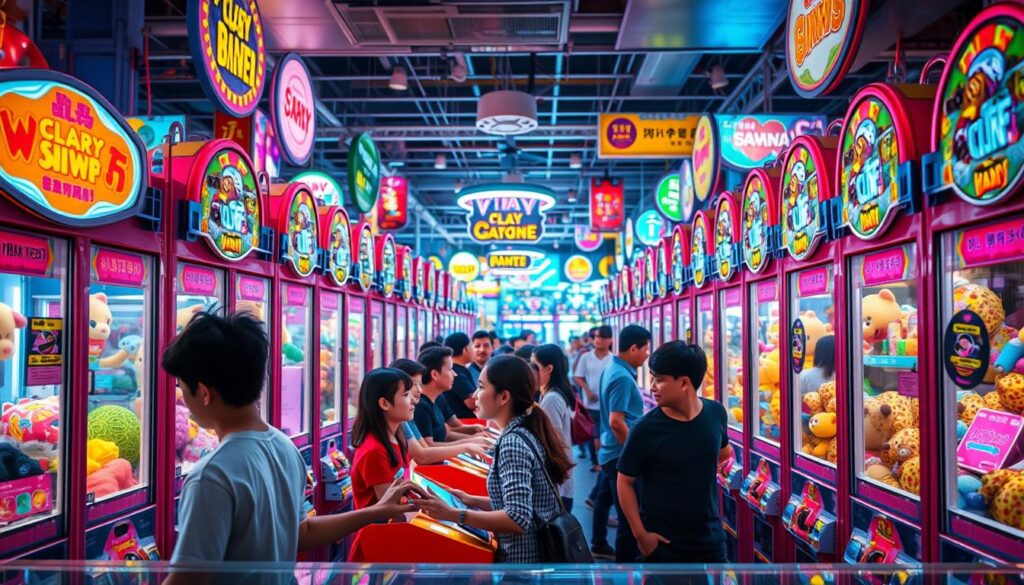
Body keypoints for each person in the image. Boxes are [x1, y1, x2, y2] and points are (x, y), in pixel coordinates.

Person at [161, 311, 424, 574]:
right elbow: (303, 532)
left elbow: (190, 578)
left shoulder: (210, 475)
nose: (183, 398)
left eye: (183, 387)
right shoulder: (284, 446)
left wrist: (376, 511)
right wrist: (375, 511)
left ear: (204, 393)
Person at [416, 355, 574, 563]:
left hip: (523, 563)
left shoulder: (512, 443)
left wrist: (456, 514)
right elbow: (520, 502)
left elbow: (517, 518)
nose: (475, 394)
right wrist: (472, 501)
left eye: (481, 387)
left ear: (504, 397)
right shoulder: (523, 430)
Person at [618, 341, 734, 563]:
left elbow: (724, 453)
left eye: (659, 379)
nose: (652, 386)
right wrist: (641, 535)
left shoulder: (716, 413)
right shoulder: (645, 429)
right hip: (662, 542)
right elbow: (624, 481)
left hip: (710, 539)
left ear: (684, 383)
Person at [592, 324, 651, 562]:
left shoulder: (612, 367)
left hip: (610, 451)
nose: (647, 354)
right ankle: (626, 569)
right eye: (646, 349)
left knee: (605, 499)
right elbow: (616, 422)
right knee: (629, 519)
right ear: (634, 348)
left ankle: (598, 543)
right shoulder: (622, 377)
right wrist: (633, 453)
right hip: (618, 454)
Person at [389, 359, 488, 465]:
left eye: (420, 384)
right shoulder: (416, 409)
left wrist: (471, 441)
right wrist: (466, 446)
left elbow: (427, 447)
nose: (419, 390)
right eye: (413, 385)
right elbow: (422, 456)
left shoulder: (408, 416)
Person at [350, 368, 417, 510]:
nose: (413, 400)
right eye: (405, 395)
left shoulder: (398, 435)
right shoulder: (374, 451)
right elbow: (391, 510)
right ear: (384, 403)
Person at [532, 344, 577, 511]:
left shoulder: (551, 399)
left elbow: (553, 441)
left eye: (535, 366)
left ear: (549, 368)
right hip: (560, 478)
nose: (532, 371)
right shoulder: (552, 394)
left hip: (557, 482)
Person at [415, 346, 483, 444]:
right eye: (450, 369)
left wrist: (477, 432)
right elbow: (429, 447)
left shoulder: (438, 397)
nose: (455, 374)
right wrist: (470, 442)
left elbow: (447, 434)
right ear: (435, 374)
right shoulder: (420, 406)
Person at [575, 325, 613, 472]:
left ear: (610, 340)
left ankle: (601, 462)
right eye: (596, 337)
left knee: (604, 435)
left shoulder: (612, 359)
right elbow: (578, 377)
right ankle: (596, 462)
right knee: (593, 436)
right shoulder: (586, 357)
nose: (598, 340)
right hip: (589, 404)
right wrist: (588, 391)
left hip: (607, 405)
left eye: (602, 337)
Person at [445, 332, 479, 419]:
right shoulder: (458, 374)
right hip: (465, 422)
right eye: (471, 346)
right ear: (465, 349)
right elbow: (472, 402)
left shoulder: (455, 369)